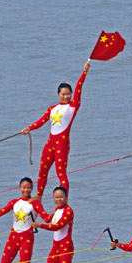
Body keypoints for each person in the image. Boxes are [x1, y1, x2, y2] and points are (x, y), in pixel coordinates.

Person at [21, 60, 90, 198]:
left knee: (61, 173)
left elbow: (79, 88)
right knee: (42, 171)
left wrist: (84, 72)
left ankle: (65, 201)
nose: (66, 96)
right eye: (63, 94)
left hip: (62, 144)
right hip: (50, 143)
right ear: (58, 94)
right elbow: (41, 121)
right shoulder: (52, 109)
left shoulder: (72, 107)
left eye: (68, 94)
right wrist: (29, 128)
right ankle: (38, 196)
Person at [32, 186, 75, 263]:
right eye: (56, 197)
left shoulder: (68, 211)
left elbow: (57, 226)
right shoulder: (57, 210)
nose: (59, 199)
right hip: (55, 247)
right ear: (53, 198)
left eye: (61, 197)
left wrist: (40, 225)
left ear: (66, 197)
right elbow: (47, 218)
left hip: (66, 247)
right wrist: (37, 206)